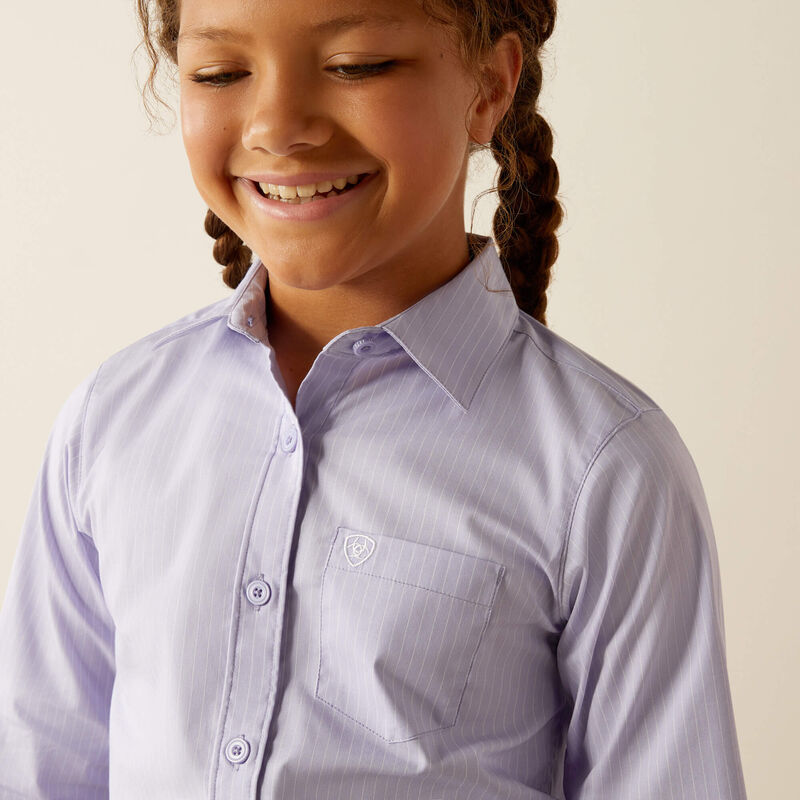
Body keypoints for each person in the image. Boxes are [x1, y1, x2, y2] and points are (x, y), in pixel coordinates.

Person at [0, 0, 748, 797]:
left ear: (490, 86)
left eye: (356, 66)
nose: (278, 127)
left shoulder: (604, 467)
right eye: (220, 73)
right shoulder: (112, 421)